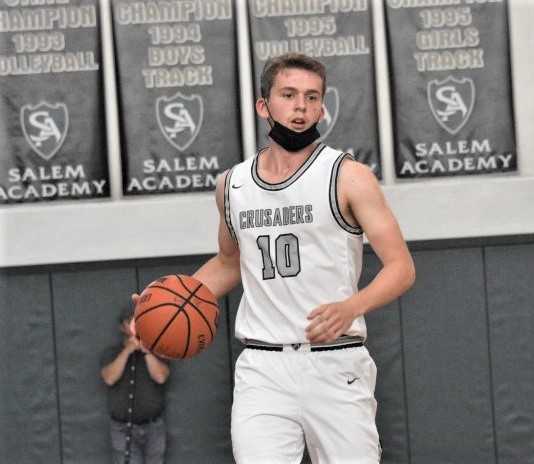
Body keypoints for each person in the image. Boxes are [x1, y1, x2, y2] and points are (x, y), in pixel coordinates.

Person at [135, 52, 415, 463]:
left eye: (312, 97)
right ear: (263, 106)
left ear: (322, 106)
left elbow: (402, 268)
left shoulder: (347, 176)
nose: (301, 106)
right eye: (288, 94)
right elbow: (230, 262)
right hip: (263, 366)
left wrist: (351, 306)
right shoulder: (232, 185)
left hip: (335, 361)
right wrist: (168, 302)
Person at [100, 306, 170, 464]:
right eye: (129, 321)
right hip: (122, 429)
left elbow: (160, 377)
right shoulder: (111, 353)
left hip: (154, 428)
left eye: (138, 321)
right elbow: (109, 378)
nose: (134, 326)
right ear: (122, 327)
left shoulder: (157, 349)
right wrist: (128, 351)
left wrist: (145, 350)